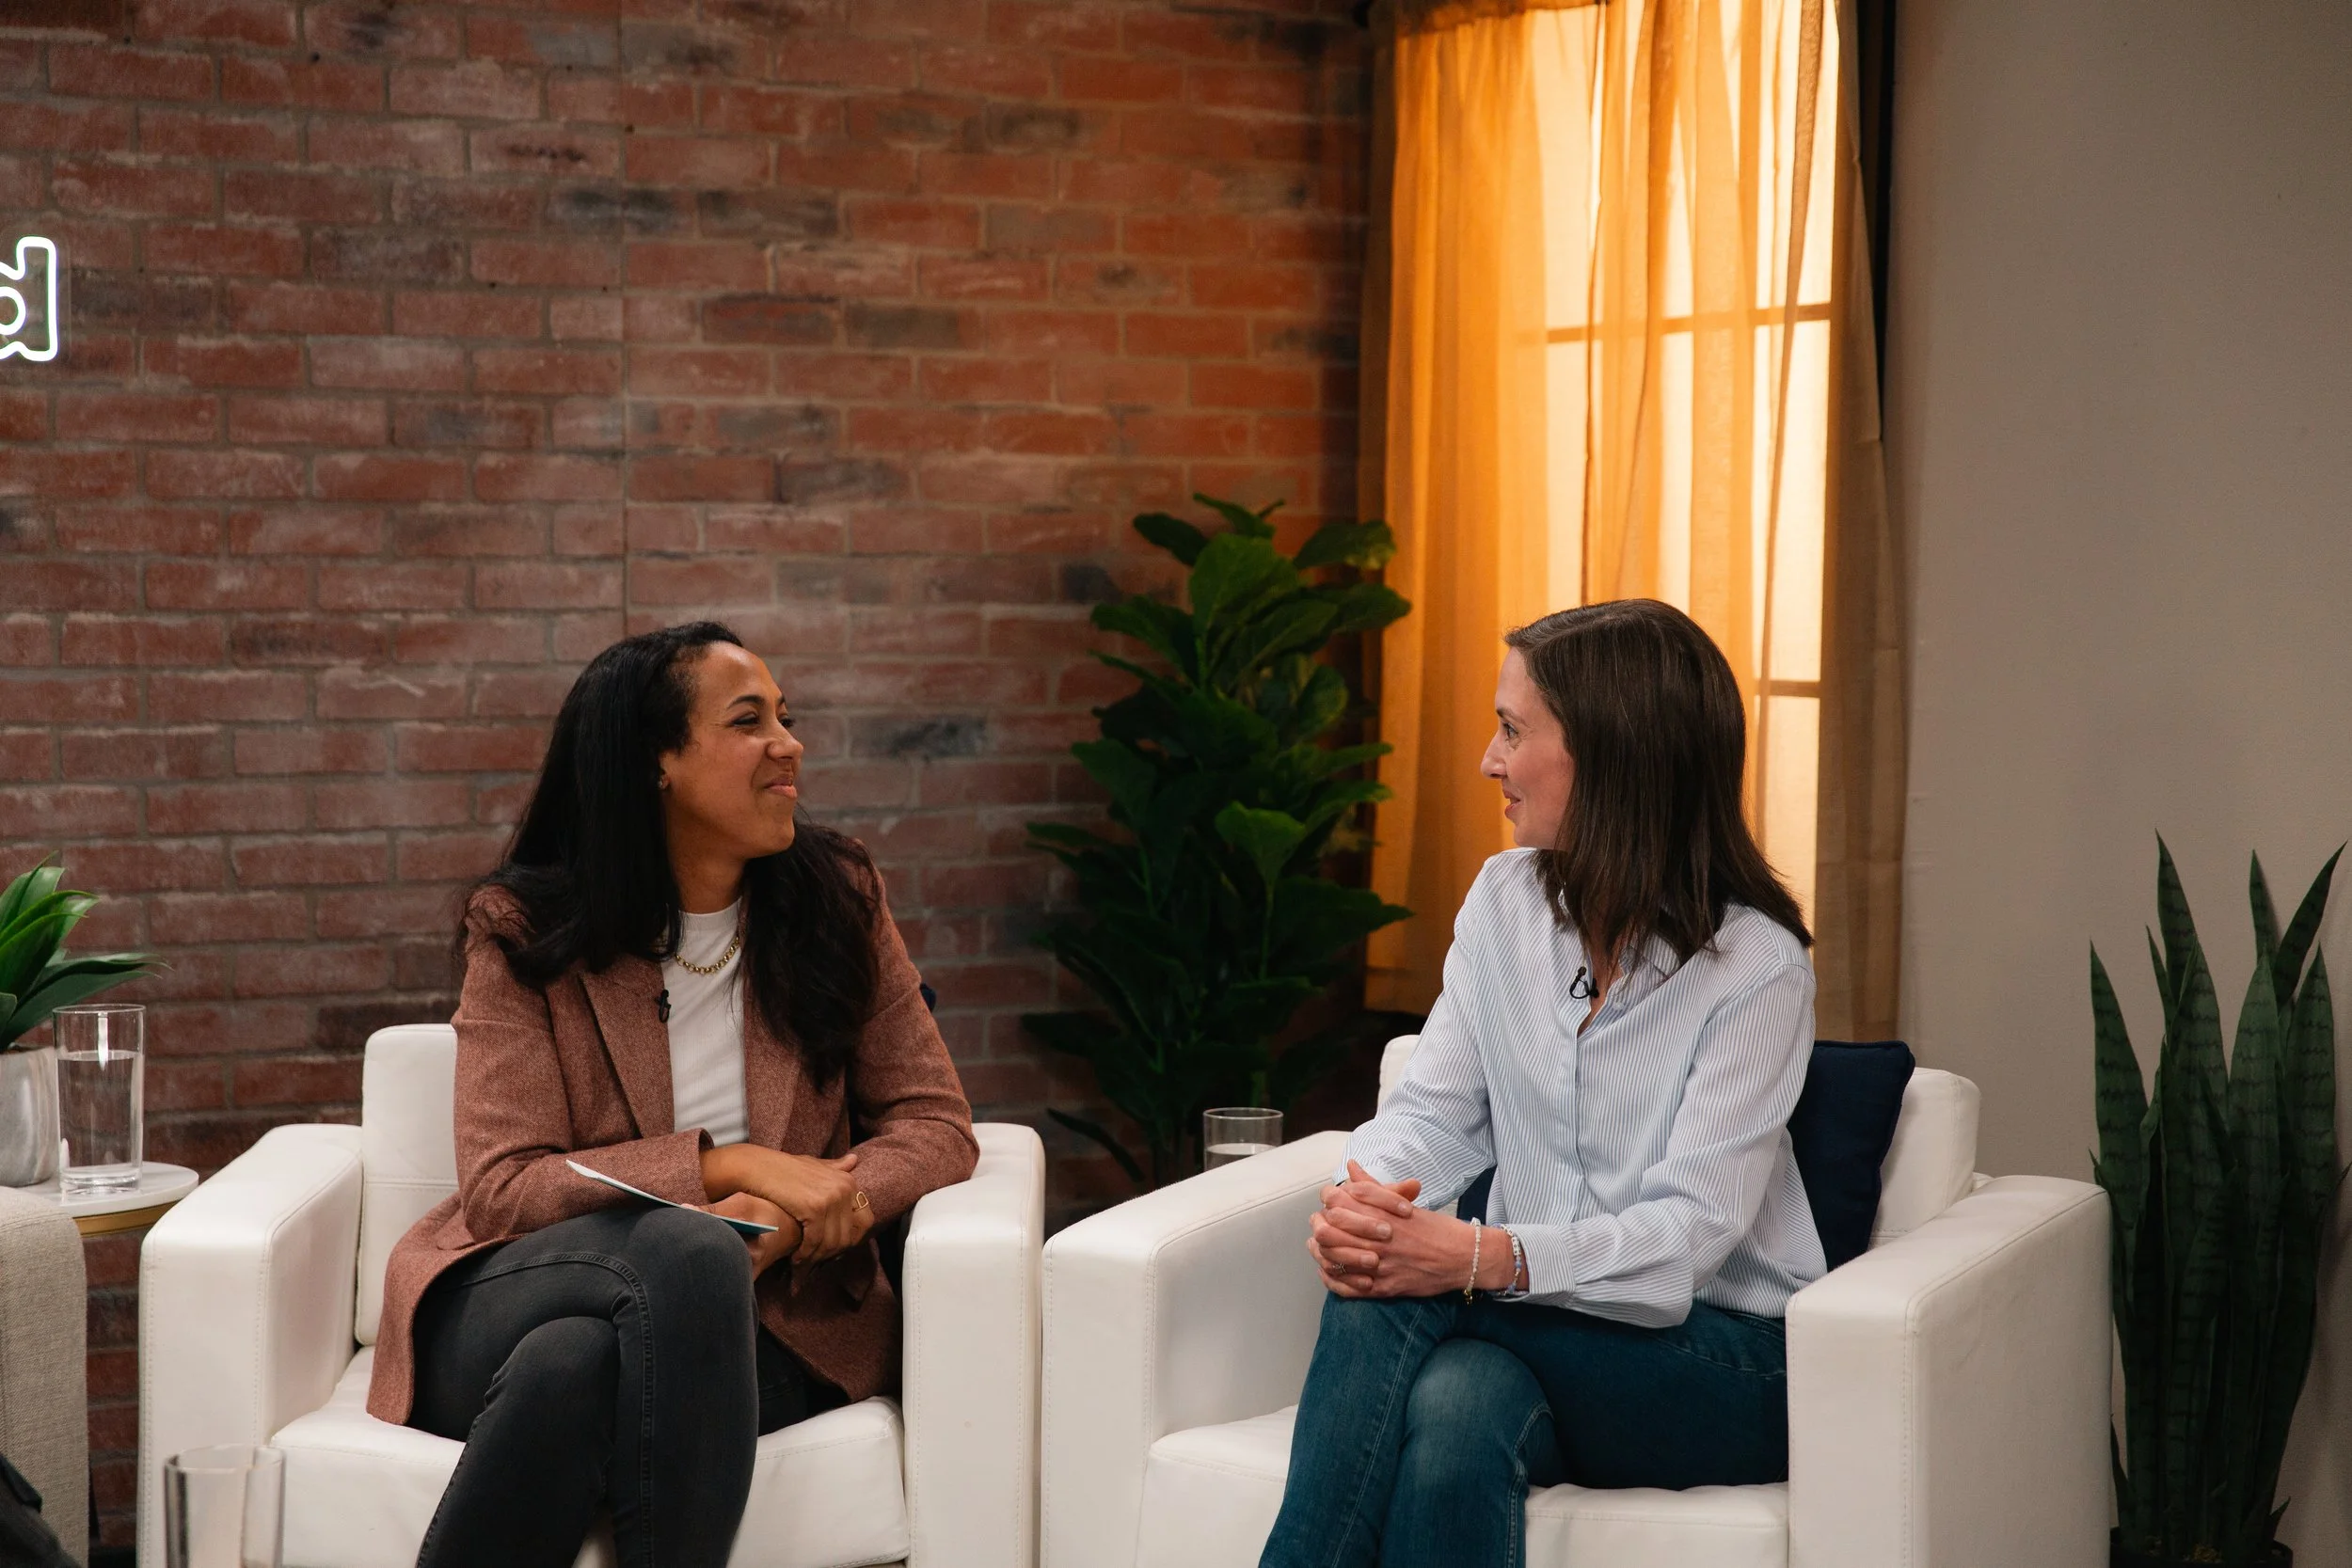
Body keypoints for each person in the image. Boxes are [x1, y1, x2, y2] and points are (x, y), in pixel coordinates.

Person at [365, 622, 979, 1568]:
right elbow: (504, 1185)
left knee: (569, 1370)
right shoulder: (526, 926)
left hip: (768, 1325)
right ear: (656, 761)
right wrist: (726, 1168)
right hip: (519, 1289)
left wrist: (800, 1212)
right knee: (687, 1251)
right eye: (748, 720)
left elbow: (935, 1123)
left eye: (786, 715)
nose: (789, 743)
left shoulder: (838, 900)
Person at [1259, 599, 1824, 1568]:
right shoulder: (1504, 900)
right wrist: (1369, 1201)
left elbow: (1682, 1241)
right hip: (1539, 1331)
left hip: (1725, 1358)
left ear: (1611, 755)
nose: (1489, 759)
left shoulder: (1756, 964)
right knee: (1457, 1403)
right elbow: (1433, 1114)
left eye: (1513, 730)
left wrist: (1476, 1256)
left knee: (1398, 1291)